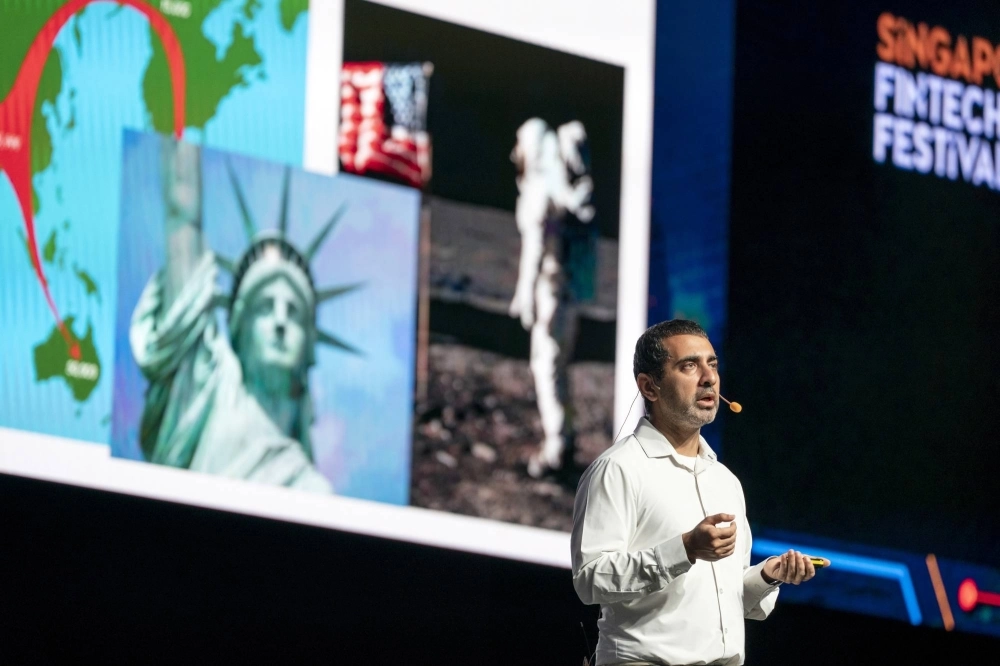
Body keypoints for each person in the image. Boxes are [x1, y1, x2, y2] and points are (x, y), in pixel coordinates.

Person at [571, 319, 818, 665]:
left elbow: (726, 600)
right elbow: (590, 580)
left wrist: (767, 577)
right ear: (649, 387)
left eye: (712, 364)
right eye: (689, 365)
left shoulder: (724, 481)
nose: (709, 378)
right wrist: (684, 549)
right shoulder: (619, 469)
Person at [129, 136, 351, 492]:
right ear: (237, 331)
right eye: (265, 307)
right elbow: (182, 210)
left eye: (293, 313)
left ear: (310, 348)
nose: (280, 321)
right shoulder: (206, 393)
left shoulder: (312, 489)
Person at [508, 117, 596, 478]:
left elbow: (535, 247)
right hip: (565, 290)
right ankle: (563, 439)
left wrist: (525, 296)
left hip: (550, 289)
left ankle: (558, 447)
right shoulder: (558, 190)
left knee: (547, 367)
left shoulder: (541, 193)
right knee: (556, 366)